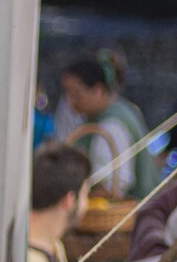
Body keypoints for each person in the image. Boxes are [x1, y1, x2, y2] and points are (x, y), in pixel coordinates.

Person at [59, 52, 156, 200]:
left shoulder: (112, 124)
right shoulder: (99, 117)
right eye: (68, 94)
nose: (71, 102)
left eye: (77, 95)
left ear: (98, 90)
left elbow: (113, 188)